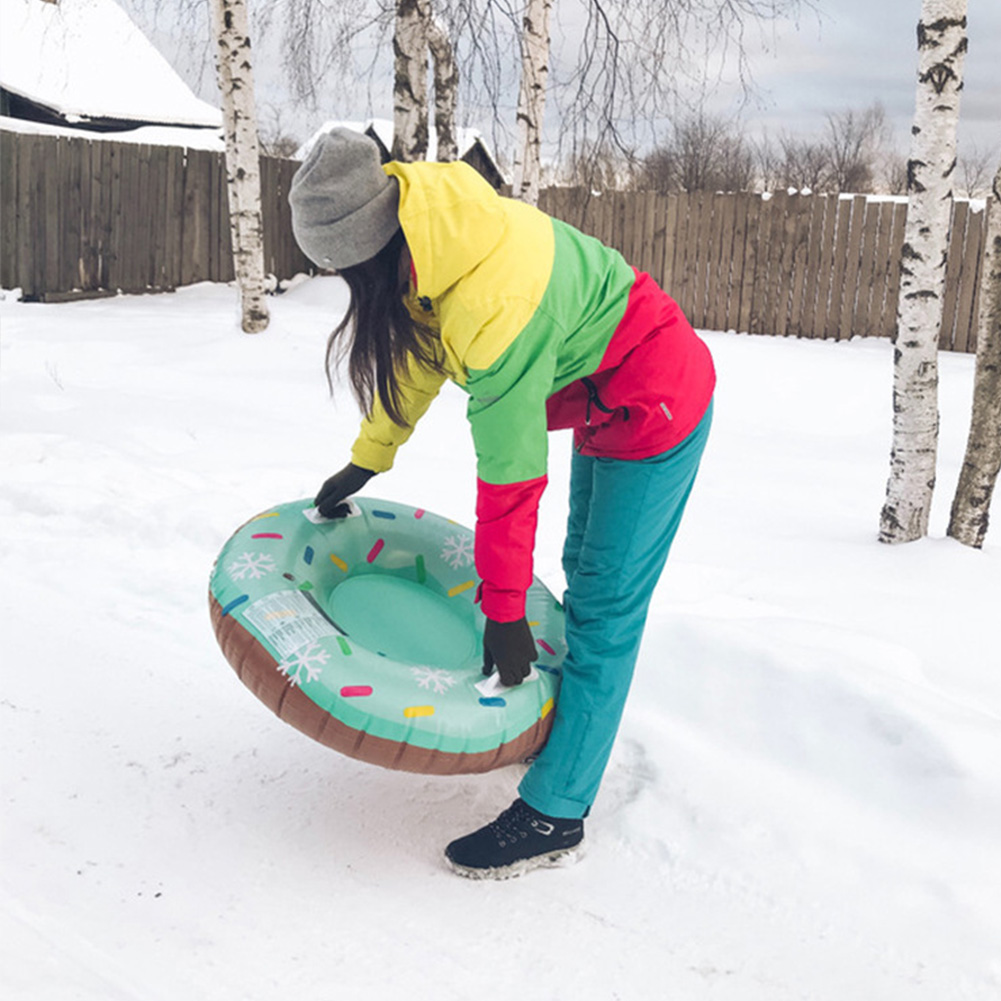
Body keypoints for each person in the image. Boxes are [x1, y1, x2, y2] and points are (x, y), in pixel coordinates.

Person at [288, 128, 715, 880]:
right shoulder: (428, 237)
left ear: (369, 247)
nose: (345, 288)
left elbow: (511, 477)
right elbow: (417, 362)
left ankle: (556, 809)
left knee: (605, 603)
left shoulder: (492, 298)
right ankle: (565, 734)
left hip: (653, 397)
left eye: (344, 272)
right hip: (597, 392)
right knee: (584, 568)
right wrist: (367, 459)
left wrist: (505, 608)